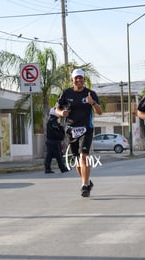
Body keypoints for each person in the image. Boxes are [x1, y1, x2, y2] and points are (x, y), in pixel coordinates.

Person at [55, 68, 102, 197]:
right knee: (76, 160)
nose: (79, 80)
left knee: (84, 156)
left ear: (84, 79)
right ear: (72, 80)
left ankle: (84, 185)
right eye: (76, 78)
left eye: (81, 77)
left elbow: (100, 111)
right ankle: (86, 181)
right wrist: (62, 113)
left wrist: (92, 103)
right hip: (71, 130)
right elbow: (57, 109)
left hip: (86, 129)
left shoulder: (90, 93)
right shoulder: (66, 93)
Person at [44, 107, 68, 174]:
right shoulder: (53, 121)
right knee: (58, 155)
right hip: (54, 141)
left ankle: (47, 168)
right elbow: (56, 131)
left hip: (51, 141)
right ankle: (62, 168)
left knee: (49, 155)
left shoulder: (51, 120)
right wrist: (61, 131)